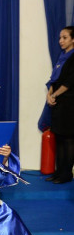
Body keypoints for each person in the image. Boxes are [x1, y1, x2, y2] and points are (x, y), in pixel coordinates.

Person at [46, 26, 74, 183]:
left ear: (73, 39)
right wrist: (49, 94)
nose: (60, 41)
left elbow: (68, 83)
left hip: (69, 105)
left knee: (68, 139)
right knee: (59, 139)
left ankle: (66, 174)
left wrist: (54, 95)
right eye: (59, 38)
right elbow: (54, 80)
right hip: (58, 104)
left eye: (64, 37)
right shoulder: (62, 57)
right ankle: (58, 172)